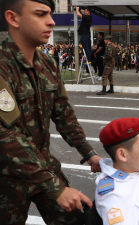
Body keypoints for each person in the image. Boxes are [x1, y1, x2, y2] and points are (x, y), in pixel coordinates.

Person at [0, 0, 102, 224]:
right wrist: (55, 188)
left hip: (42, 168)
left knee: (76, 219)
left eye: (51, 14)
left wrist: (88, 152)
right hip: (6, 179)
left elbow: (63, 113)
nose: (51, 21)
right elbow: (6, 136)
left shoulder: (46, 63)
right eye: (40, 14)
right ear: (12, 18)